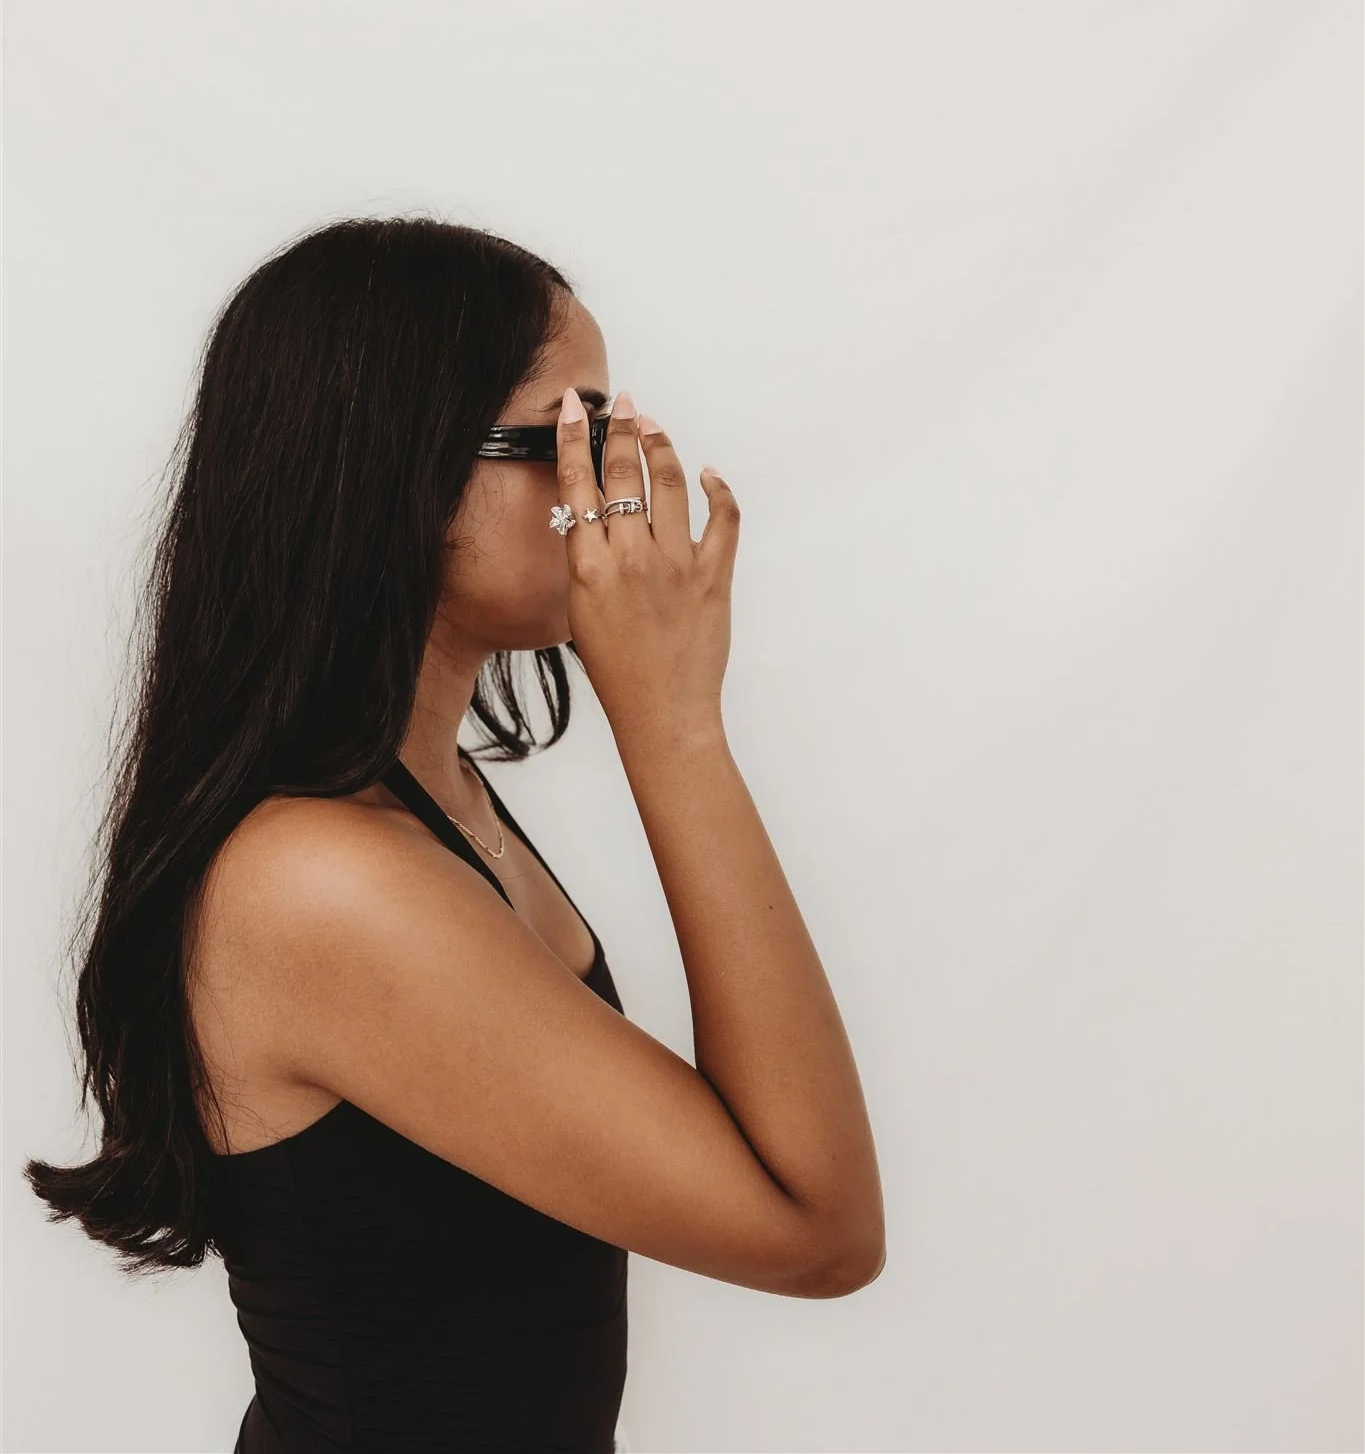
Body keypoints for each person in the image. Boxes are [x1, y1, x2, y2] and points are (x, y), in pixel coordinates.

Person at [25, 214, 885, 1453]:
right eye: (568, 438)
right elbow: (817, 1228)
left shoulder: (430, 800)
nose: (616, 488)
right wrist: (676, 726)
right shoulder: (322, 878)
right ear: (405, 473)